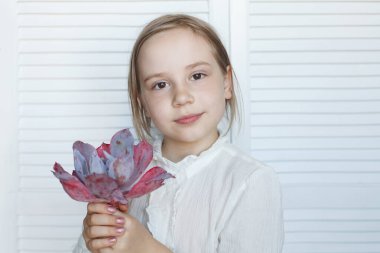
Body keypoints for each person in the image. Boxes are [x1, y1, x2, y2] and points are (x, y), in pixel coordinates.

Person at [73, 14, 284, 253]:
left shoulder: (251, 181)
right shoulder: (121, 173)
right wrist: (94, 238)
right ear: (141, 100)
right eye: (160, 84)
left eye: (197, 76)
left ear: (226, 83)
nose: (182, 97)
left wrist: (146, 249)